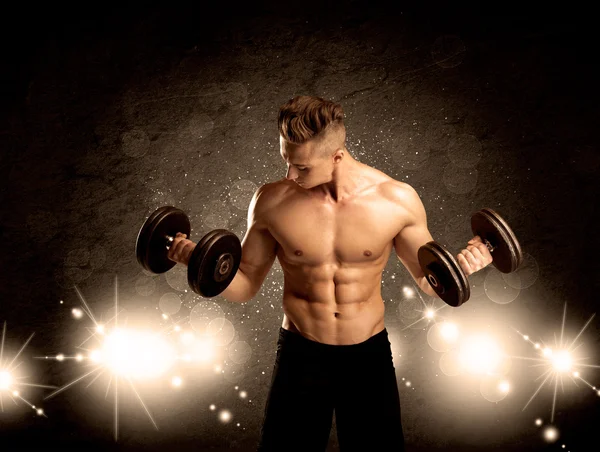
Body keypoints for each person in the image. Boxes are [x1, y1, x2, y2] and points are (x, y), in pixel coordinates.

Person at [167, 95, 493, 451]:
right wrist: (196, 260)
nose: (290, 175)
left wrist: (465, 264)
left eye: (302, 167)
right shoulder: (271, 202)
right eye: (287, 162)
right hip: (300, 355)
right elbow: (244, 285)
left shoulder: (396, 200)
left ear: (337, 156)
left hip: (367, 359)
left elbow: (430, 282)